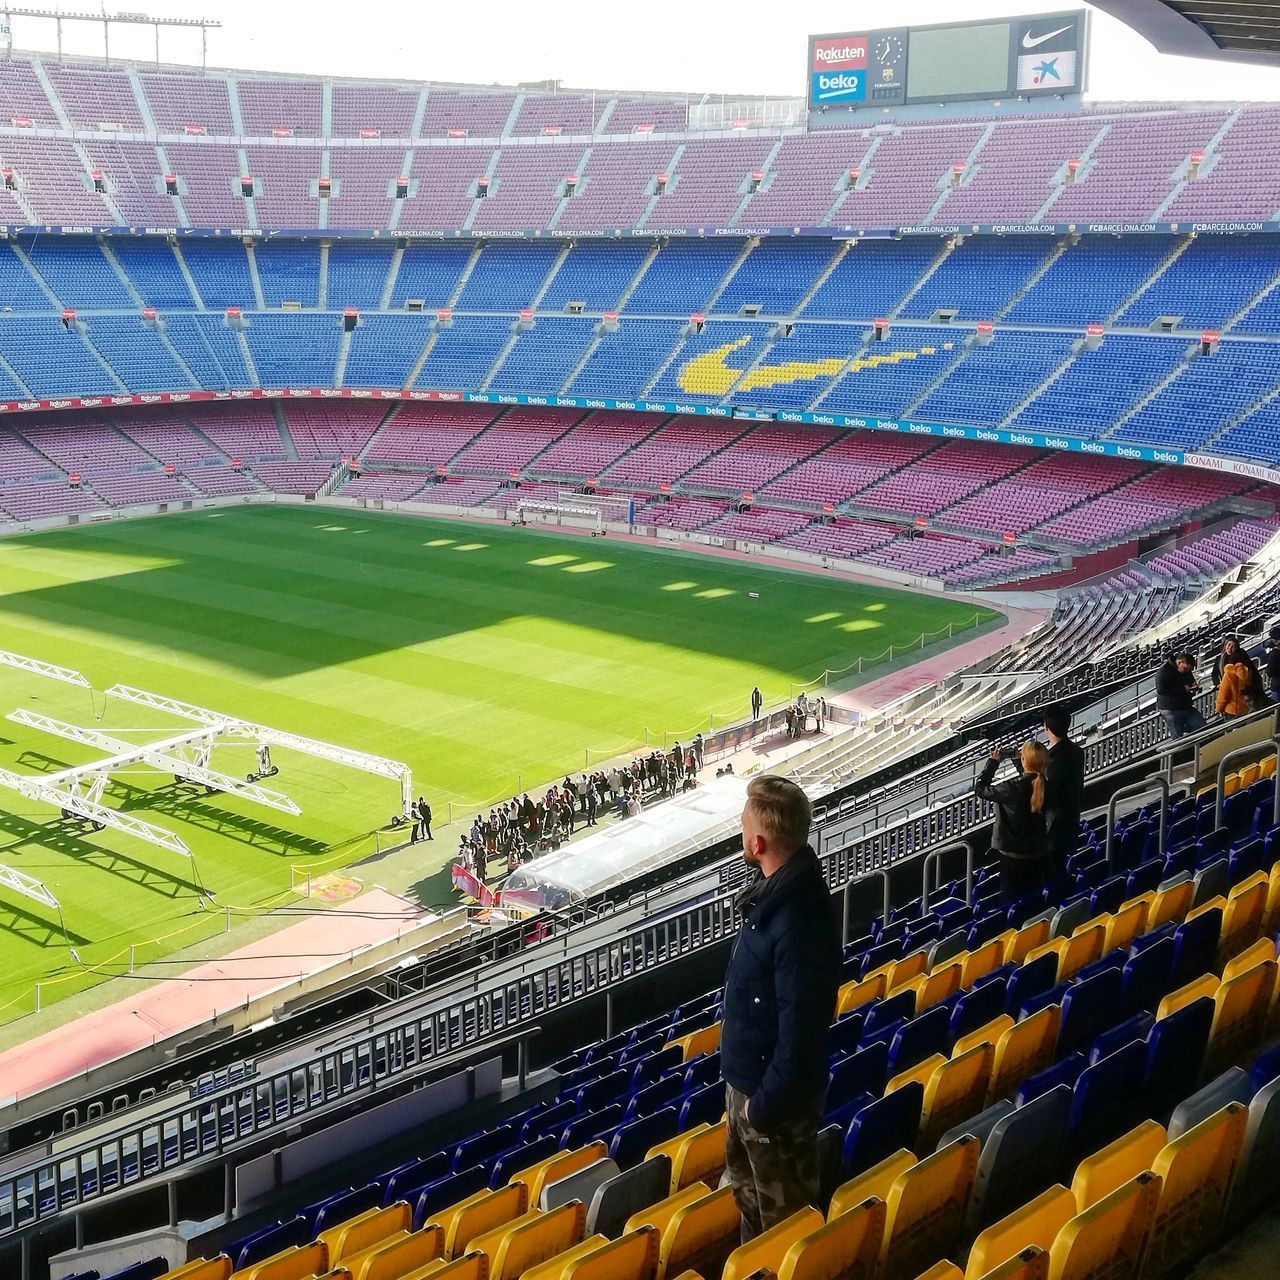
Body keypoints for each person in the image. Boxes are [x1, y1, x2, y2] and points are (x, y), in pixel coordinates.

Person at [721, 775, 841, 1241]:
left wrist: (759, 1110)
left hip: (770, 1107)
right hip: (751, 1090)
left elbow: (801, 1035)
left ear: (759, 841)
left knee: (785, 1230)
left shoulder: (796, 921)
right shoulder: (779, 894)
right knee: (752, 1212)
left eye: (744, 826)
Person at [976, 741, 1050, 906]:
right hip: (1037, 853)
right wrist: (1019, 762)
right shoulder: (1046, 785)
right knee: (1033, 898)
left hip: (1012, 858)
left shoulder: (1010, 788)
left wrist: (992, 763)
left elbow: (980, 789)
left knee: (1011, 902)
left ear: (1025, 761)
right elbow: (1031, 779)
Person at [1027, 704, 1083, 875]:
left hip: (1056, 824)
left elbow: (1047, 794)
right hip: (1072, 815)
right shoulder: (1076, 751)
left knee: (1055, 869)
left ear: (1046, 727)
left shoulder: (1053, 760)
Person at [1156, 652, 1204, 739]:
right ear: (1179, 663)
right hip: (1170, 708)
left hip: (1185, 705)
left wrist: (1194, 685)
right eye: (1185, 669)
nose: (1187, 671)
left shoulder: (1186, 670)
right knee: (1178, 736)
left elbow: (1190, 679)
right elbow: (1161, 690)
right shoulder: (1163, 672)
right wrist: (1183, 689)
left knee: (1202, 727)